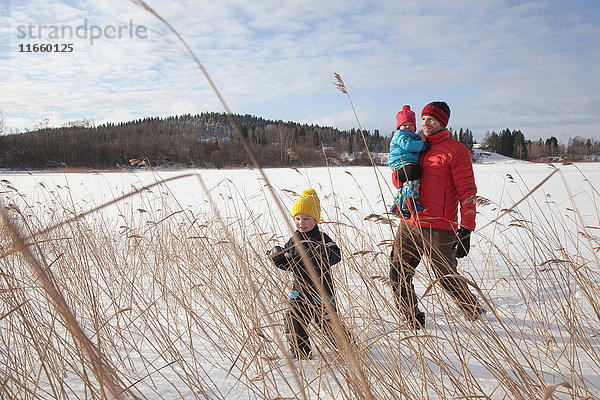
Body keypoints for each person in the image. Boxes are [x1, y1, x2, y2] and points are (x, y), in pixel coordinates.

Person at [389, 101, 484, 330]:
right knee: (397, 271)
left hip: (440, 226)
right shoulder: (416, 145)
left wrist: (467, 228)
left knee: (446, 276)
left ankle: (473, 311)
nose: (425, 123)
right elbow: (399, 180)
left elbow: (467, 192)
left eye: (431, 119)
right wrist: (400, 175)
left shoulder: (456, 151)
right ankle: (411, 316)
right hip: (410, 221)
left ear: (443, 122)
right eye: (423, 119)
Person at [268, 189, 350, 359]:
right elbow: (289, 262)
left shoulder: (322, 238)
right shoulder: (294, 239)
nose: (301, 223)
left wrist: (318, 254)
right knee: (293, 319)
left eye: (306, 219)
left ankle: (348, 347)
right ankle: (301, 353)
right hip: (299, 291)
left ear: (315, 219)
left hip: (322, 292)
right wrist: (278, 258)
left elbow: (336, 255)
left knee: (328, 323)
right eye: (297, 218)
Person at [388, 105, 429, 218]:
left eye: (411, 125)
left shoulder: (411, 136)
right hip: (401, 161)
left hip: (406, 162)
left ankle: (397, 205)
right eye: (404, 125)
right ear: (399, 127)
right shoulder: (400, 135)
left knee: (405, 184)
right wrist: (424, 145)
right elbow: (408, 146)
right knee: (413, 179)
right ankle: (409, 201)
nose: (408, 127)